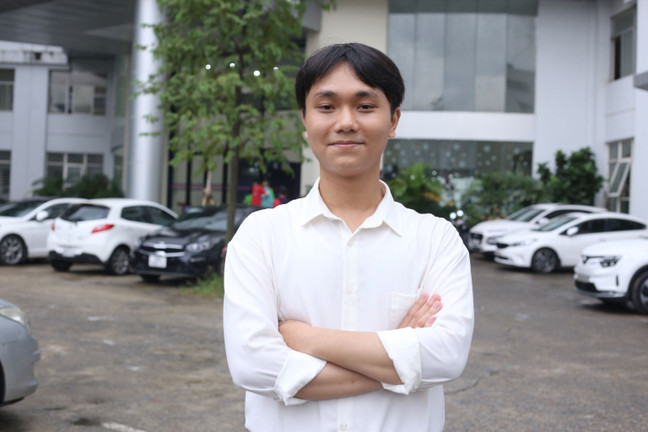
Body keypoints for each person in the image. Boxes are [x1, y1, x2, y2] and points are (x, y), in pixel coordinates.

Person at [223, 43, 474, 432]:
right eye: (326, 106)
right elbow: (253, 365)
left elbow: (446, 356)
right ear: (304, 120)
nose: (345, 122)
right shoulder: (262, 235)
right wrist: (401, 354)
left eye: (365, 106)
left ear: (393, 120)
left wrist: (306, 339)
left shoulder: (435, 239)